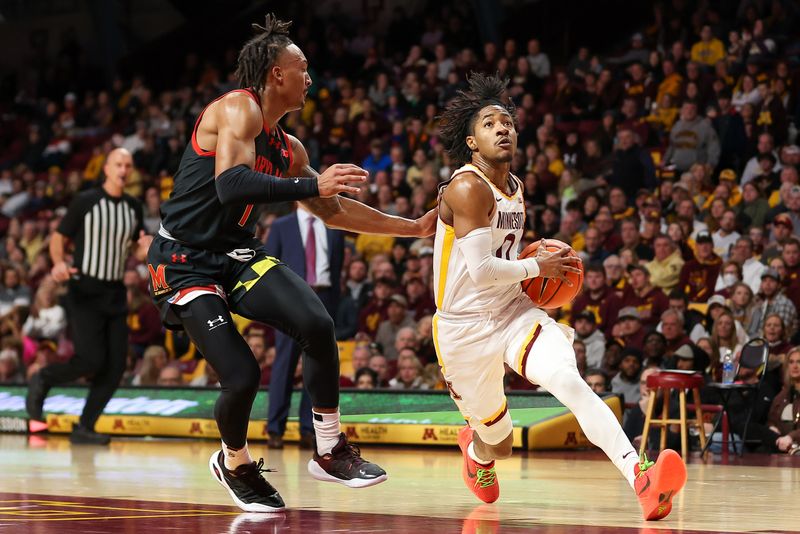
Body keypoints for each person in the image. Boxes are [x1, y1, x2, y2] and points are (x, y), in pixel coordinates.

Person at [145, 15, 436, 512]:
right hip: (184, 261)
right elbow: (230, 185)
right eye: (302, 69)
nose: (310, 78)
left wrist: (411, 227)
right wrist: (310, 186)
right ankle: (234, 462)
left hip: (235, 253)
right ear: (277, 73)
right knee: (241, 375)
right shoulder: (239, 109)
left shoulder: (289, 147)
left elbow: (334, 209)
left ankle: (329, 449)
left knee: (316, 323)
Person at [433, 73, 685, 520]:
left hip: (512, 310)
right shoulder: (467, 186)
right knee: (501, 444)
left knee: (568, 380)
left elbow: (503, 270)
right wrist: (538, 267)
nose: (503, 128)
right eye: (490, 124)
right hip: (463, 328)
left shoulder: (516, 186)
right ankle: (477, 450)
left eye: (507, 122)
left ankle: (640, 477)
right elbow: (481, 270)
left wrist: (532, 273)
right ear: (472, 142)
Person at [26, 148, 148, 445]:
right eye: (118, 164)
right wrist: (57, 263)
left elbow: (134, 246)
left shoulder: (134, 206)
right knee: (91, 360)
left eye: (127, 165)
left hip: (116, 292)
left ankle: (85, 427)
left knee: (117, 365)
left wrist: (143, 249)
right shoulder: (86, 201)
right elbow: (58, 238)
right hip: (85, 290)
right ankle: (42, 378)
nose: (123, 169)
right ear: (106, 168)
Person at [264, 205, 345, 451]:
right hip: (290, 302)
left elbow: (337, 267)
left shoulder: (333, 226)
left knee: (317, 367)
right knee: (284, 365)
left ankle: (308, 430)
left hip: (324, 298)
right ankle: (275, 430)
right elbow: (268, 268)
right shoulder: (280, 226)